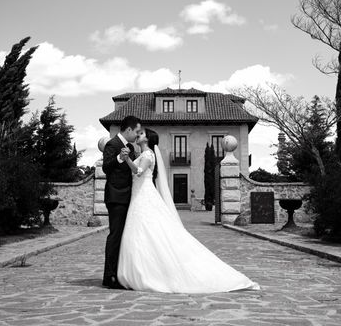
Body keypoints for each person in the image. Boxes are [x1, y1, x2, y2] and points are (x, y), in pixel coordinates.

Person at [117, 127, 260, 293]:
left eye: (141, 133)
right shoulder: (141, 154)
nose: (137, 135)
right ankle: (140, 269)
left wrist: (127, 160)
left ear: (147, 139)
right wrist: (123, 158)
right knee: (141, 233)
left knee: (149, 230)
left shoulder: (148, 154)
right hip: (138, 195)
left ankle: (149, 273)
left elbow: (139, 172)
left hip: (144, 195)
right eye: (138, 132)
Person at [101, 115, 142, 289]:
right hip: (116, 197)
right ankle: (109, 277)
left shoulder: (131, 148)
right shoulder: (112, 144)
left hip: (128, 197)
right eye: (137, 131)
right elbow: (106, 168)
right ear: (128, 130)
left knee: (124, 238)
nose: (138, 135)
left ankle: (120, 274)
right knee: (115, 236)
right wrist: (118, 158)